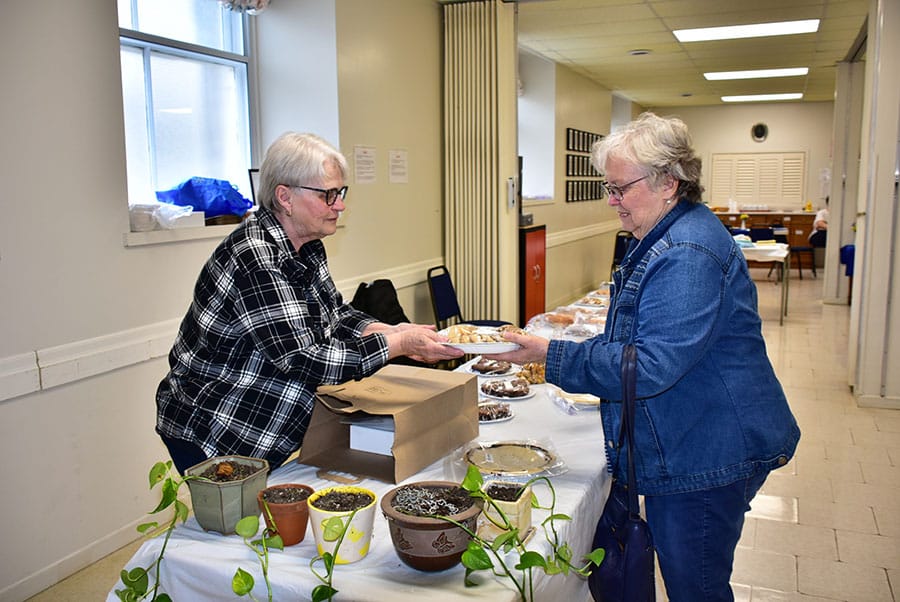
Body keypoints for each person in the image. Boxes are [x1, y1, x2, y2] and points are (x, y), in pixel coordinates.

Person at [489, 113, 800, 602]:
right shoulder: (665, 234)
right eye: (608, 188)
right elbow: (630, 342)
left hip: (706, 452)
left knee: (695, 586)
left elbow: (650, 366)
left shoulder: (688, 251)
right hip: (696, 434)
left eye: (619, 189)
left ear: (668, 183)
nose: (611, 201)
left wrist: (553, 356)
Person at [156, 132, 463, 474]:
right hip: (215, 429)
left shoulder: (307, 245)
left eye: (341, 193)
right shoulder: (255, 256)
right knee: (240, 527)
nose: (340, 205)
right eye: (328, 194)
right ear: (285, 197)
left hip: (263, 426)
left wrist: (390, 329)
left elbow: (334, 314)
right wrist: (398, 344)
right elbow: (305, 359)